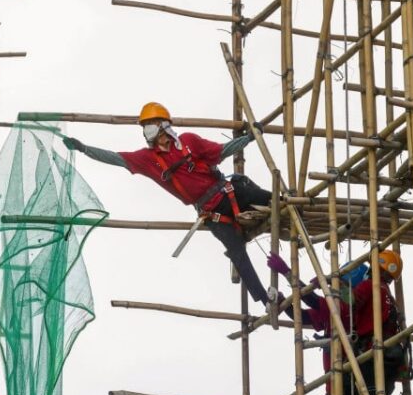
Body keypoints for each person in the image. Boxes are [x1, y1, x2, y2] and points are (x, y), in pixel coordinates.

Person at [62, 102, 277, 307]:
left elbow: (221, 151)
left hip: (229, 192)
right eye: (144, 127)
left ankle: (291, 204)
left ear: (163, 125)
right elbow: (115, 158)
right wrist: (83, 148)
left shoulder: (189, 141)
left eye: (149, 125)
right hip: (211, 212)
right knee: (236, 251)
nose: (146, 130)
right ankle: (266, 300)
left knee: (270, 200)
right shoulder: (148, 159)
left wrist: (249, 137)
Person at [269, 249, 412, 395]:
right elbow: (309, 313)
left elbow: (319, 302)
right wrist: (287, 303)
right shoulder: (378, 296)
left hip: (364, 367)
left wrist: (289, 273)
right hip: (371, 368)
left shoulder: (362, 296)